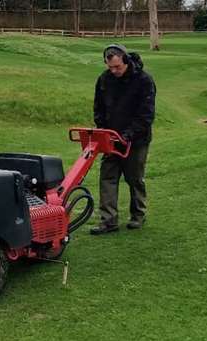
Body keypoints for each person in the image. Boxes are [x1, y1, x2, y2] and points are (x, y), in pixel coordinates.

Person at [90, 44, 156, 235]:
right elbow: (98, 107)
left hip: (136, 139)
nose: (113, 71)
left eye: (117, 67)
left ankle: (138, 215)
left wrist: (127, 135)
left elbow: (146, 115)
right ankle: (108, 220)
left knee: (134, 178)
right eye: (110, 67)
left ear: (125, 61)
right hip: (110, 138)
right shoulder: (104, 79)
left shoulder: (144, 81)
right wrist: (103, 129)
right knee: (107, 178)